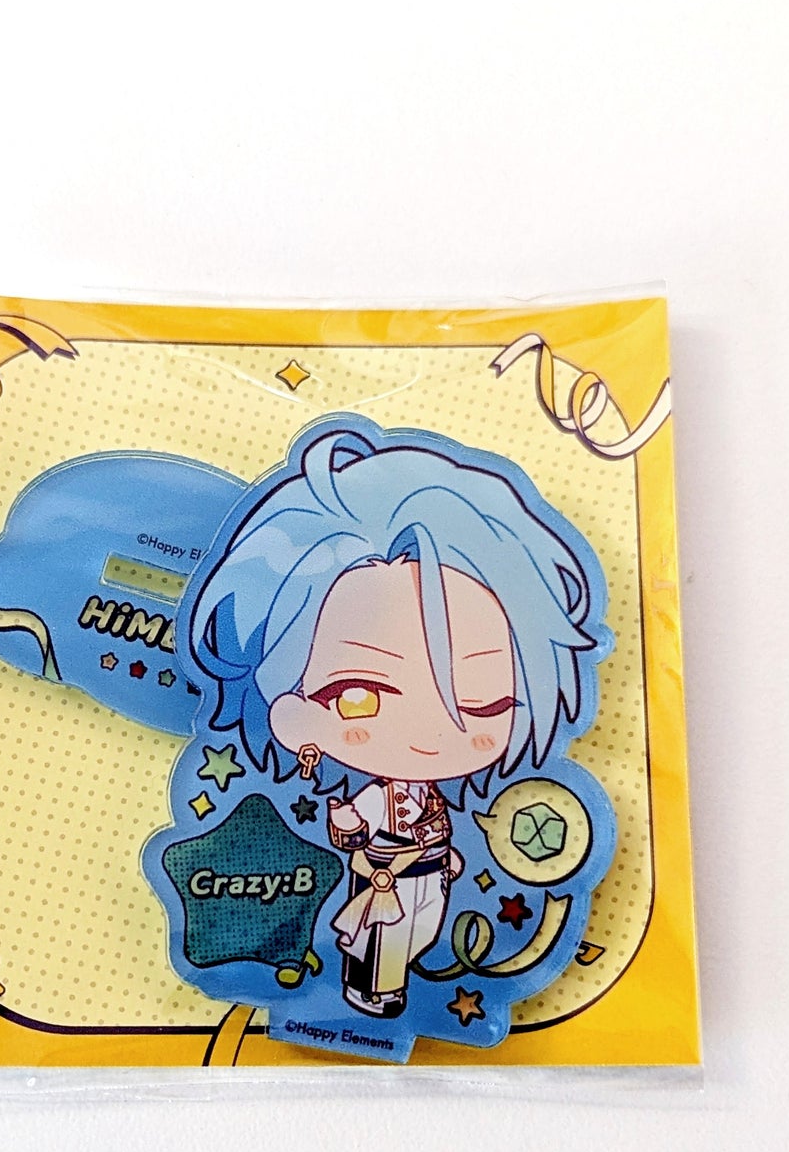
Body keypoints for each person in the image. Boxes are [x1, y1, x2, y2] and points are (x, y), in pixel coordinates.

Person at [187, 413, 602, 1017]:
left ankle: (389, 984)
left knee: (422, 933)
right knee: (383, 940)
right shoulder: (377, 795)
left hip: (429, 877)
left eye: (482, 705)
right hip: (387, 878)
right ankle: (372, 992)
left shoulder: (427, 795)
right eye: (360, 697)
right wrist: (349, 824)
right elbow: (355, 822)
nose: (432, 735)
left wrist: (443, 856)